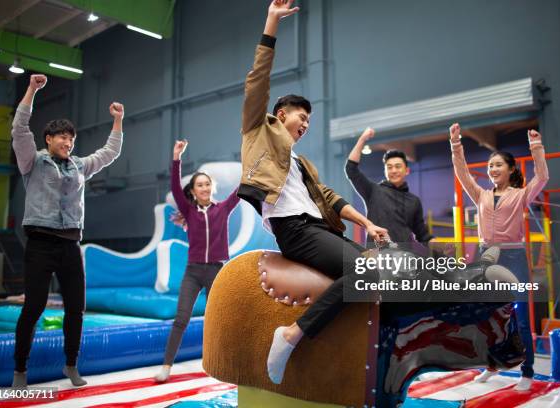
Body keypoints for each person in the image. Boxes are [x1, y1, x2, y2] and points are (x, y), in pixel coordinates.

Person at [238, 0, 389, 385]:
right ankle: (291, 335)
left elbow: (331, 197)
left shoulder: (302, 164)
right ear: (280, 114)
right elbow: (258, 78)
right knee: (363, 271)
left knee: (378, 271)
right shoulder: (259, 131)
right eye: (300, 117)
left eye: (308, 121)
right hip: (294, 229)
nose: (305, 124)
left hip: (320, 228)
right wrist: (272, 21)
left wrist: (368, 223)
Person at [11, 74, 124, 388]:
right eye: (62, 137)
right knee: (33, 308)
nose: (68, 142)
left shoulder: (79, 166)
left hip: (70, 244)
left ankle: (71, 365)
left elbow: (110, 152)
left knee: (76, 308)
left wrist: (118, 120)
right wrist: (32, 89)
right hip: (39, 243)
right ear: (49, 139)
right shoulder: (32, 162)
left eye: (71, 139)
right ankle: (20, 369)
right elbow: (19, 129)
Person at [449, 122, 549, 391]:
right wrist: (456, 144)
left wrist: (536, 146)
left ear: (511, 169)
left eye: (498, 165)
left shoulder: (520, 195)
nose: (492, 169)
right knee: (487, 317)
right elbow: (462, 172)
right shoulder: (480, 194)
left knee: (521, 319)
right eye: (490, 165)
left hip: (513, 257)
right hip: (487, 257)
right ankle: (491, 366)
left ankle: (527, 372)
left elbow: (542, 177)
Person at [155, 140, 240, 382]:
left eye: (206, 184)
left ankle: (228, 364)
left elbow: (240, 189)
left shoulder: (222, 209)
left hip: (216, 271)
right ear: (193, 191)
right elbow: (174, 183)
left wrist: (254, 162)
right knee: (181, 319)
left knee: (221, 319)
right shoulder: (189, 211)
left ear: (212, 188)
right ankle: (166, 367)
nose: (203, 188)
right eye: (199, 185)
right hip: (193, 273)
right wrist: (176, 158)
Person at [346, 127, 435, 246]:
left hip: (405, 258)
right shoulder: (373, 191)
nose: (393, 170)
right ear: (385, 170)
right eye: (389, 167)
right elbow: (351, 169)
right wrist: (362, 139)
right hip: (377, 256)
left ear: (407, 170)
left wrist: (443, 247)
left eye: (398, 166)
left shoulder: (414, 201)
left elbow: (423, 236)